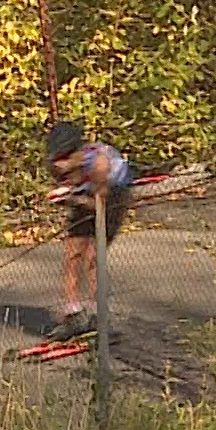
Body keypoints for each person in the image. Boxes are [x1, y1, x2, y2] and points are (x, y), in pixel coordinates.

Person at [43, 120, 135, 342]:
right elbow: (73, 188)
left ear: (76, 153)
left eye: (63, 159)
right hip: (83, 196)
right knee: (72, 254)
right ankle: (72, 314)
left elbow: (98, 206)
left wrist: (70, 196)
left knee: (93, 257)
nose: (58, 164)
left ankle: (100, 316)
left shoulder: (98, 164)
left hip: (111, 198)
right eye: (55, 159)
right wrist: (65, 195)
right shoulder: (58, 163)